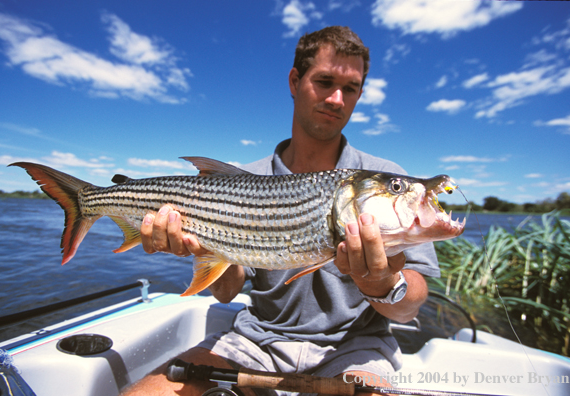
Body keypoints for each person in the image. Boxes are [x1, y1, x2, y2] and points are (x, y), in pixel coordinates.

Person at [122, 26, 439, 396]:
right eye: (324, 81)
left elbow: (407, 311)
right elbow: (225, 293)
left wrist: (382, 284)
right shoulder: (248, 178)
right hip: (258, 342)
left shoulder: (388, 181)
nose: (336, 99)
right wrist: (201, 244)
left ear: (359, 95)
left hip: (357, 348)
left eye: (350, 88)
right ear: (294, 80)